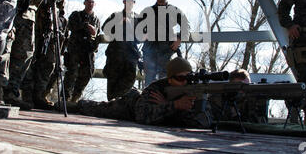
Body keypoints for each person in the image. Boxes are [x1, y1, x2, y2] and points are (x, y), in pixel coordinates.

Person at [2, 0, 66, 109]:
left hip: (39, 18)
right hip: (21, 11)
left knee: (34, 57)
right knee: (15, 52)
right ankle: (7, 91)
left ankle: (25, 94)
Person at [72, 57, 212, 129]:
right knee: (96, 108)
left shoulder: (192, 90)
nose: (186, 82)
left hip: (153, 110)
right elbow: (142, 116)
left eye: (189, 77)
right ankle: (68, 105)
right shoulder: (156, 89)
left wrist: (167, 105)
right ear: (170, 80)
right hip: (129, 106)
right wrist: (174, 106)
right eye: (181, 78)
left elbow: (202, 122)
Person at [140, 0, 190, 86]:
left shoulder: (173, 10)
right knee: (149, 82)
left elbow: (186, 25)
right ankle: (150, 101)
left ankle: (165, 101)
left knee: (166, 82)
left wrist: (179, 39)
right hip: (150, 53)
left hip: (166, 52)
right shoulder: (147, 11)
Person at [102, 0, 142, 100]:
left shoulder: (138, 18)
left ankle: (121, 106)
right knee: (112, 86)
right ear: (124, 2)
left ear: (134, 3)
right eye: (127, 1)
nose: (129, 3)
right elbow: (105, 29)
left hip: (130, 58)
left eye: (132, 1)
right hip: (115, 56)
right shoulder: (115, 16)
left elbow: (142, 37)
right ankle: (111, 107)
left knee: (128, 84)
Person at [63, 0, 101, 103]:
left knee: (87, 74)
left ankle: (75, 98)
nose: (90, 4)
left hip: (88, 51)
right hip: (75, 49)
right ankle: (65, 98)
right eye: (88, 2)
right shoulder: (76, 15)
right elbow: (70, 25)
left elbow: (96, 34)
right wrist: (85, 26)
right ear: (84, 3)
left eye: (92, 2)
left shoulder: (96, 19)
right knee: (71, 73)